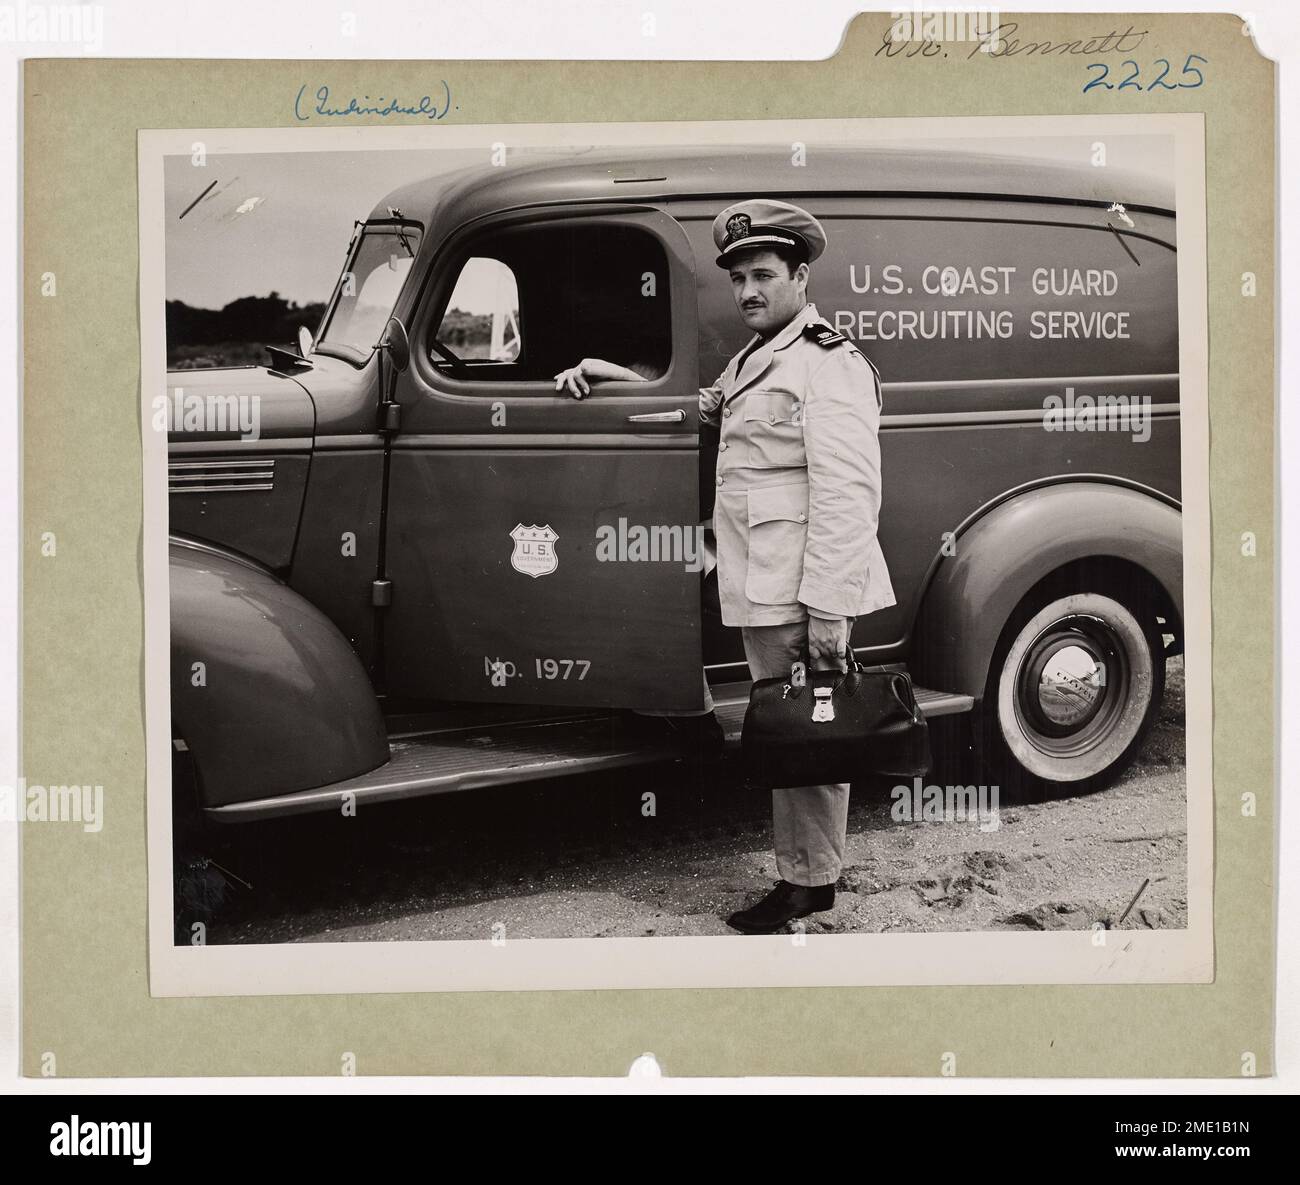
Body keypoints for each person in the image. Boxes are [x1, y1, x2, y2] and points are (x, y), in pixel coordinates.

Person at [555, 198, 895, 933]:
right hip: (765, 582)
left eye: (763, 274)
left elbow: (848, 493)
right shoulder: (758, 356)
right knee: (793, 728)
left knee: (809, 731)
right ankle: (809, 872)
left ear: (801, 276)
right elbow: (705, 408)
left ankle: (809, 883)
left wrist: (831, 609)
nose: (747, 290)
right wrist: (607, 373)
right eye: (738, 277)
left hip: (800, 590)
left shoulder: (827, 363)